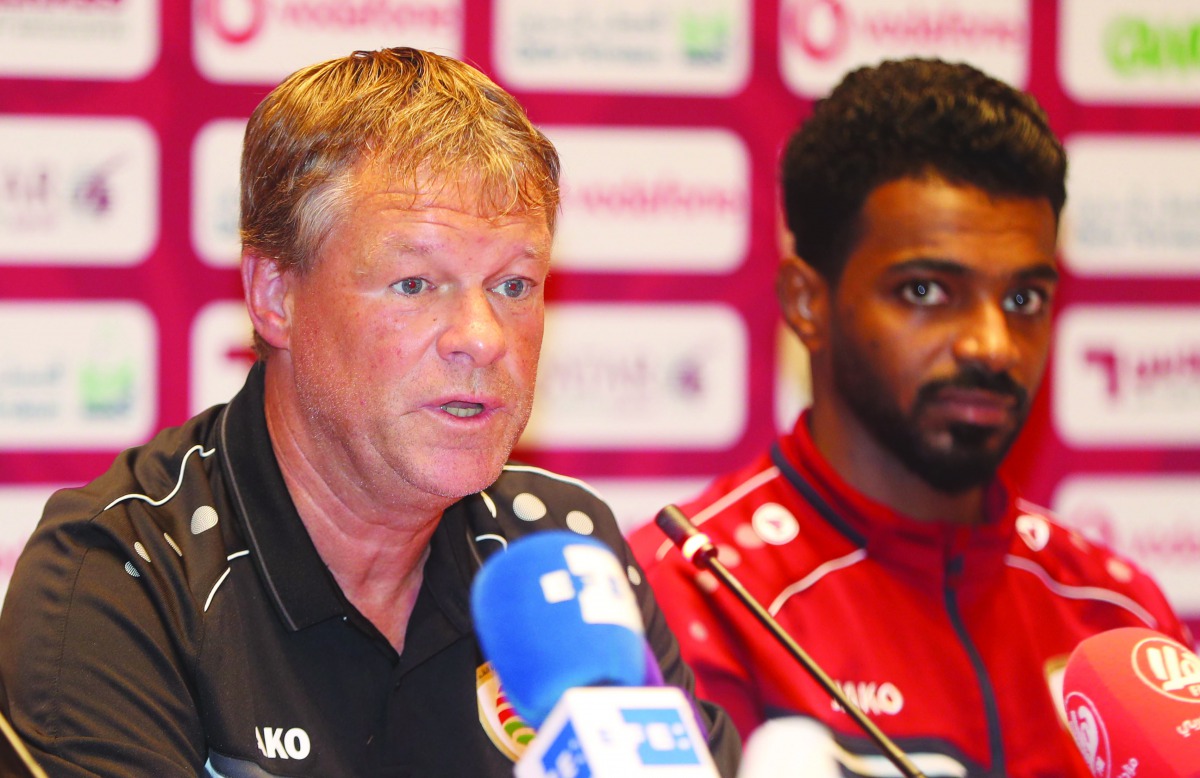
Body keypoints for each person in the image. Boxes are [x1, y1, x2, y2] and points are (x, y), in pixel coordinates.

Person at [0, 48, 740, 777]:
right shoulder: (123, 575)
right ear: (274, 295)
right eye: (415, 283)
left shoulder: (562, 555)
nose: (482, 339)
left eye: (514, 285)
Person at [630, 58, 1190, 777]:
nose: (992, 344)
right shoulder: (691, 598)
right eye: (927, 290)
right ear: (807, 302)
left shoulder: (1116, 617)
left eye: (1023, 299)